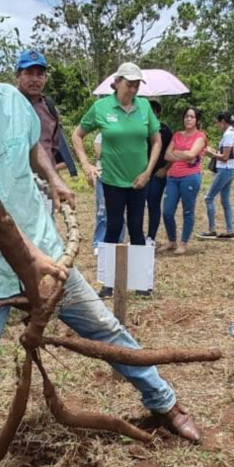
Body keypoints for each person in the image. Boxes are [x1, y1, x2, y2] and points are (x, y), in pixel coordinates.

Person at [0, 6, 200, 467]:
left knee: (106, 331)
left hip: (47, 252)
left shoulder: (9, 99)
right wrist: (36, 257)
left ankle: (165, 403)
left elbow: (33, 148)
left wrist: (53, 179)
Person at [73, 62, 161, 296]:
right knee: (113, 227)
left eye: (136, 85)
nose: (132, 89)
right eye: (129, 84)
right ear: (118, 82)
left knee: (136, 228)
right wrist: (86, 165)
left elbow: (157, 141)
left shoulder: (144, 107)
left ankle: (141, 283)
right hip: (111, 181)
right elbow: (77, 135)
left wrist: (147, 173)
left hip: (138, 182)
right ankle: (109, 283)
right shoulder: (101, 107)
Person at [15, 49, 77, 177]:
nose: (35, 80)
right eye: (29, 73)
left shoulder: (49, 107)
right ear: (18, 75)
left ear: (46, 78)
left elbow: (54, 146)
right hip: (15, 183)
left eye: (39, 75)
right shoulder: (7, 105)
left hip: (45, 181)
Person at [160, 107, 206, 255]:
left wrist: (179, 153)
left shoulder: (200, 137)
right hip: (173, 177)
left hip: (190, 177)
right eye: (186, 116)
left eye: (192, 117)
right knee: (167, 211)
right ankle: (172, 240)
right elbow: (167, 155)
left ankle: (183, 242)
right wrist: (184, 155)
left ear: (197, 120)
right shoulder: (177, 135)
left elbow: (192, 153)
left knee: (187, 211)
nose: (188, 119)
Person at [199, 111, 234, 239]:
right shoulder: (231, 133)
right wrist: (214, 151)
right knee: (225, 201)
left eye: (217, 122)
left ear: (223, 122)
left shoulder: (228, 135)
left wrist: (211, 154)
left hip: (225, 170)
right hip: (229, 169)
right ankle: (229, 230)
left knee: (208, 198)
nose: (217, 125)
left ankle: (212, 229)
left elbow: (225, 157)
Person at [146, 100, 173, 248]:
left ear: (158, 113)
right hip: (140, 172)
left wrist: (165, 169)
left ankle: (151, 237)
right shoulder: (141, 128)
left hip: (157, 174)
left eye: (153, 111)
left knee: (153, 205)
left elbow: (171, 152)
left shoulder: (165, 130)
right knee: (136, 206)